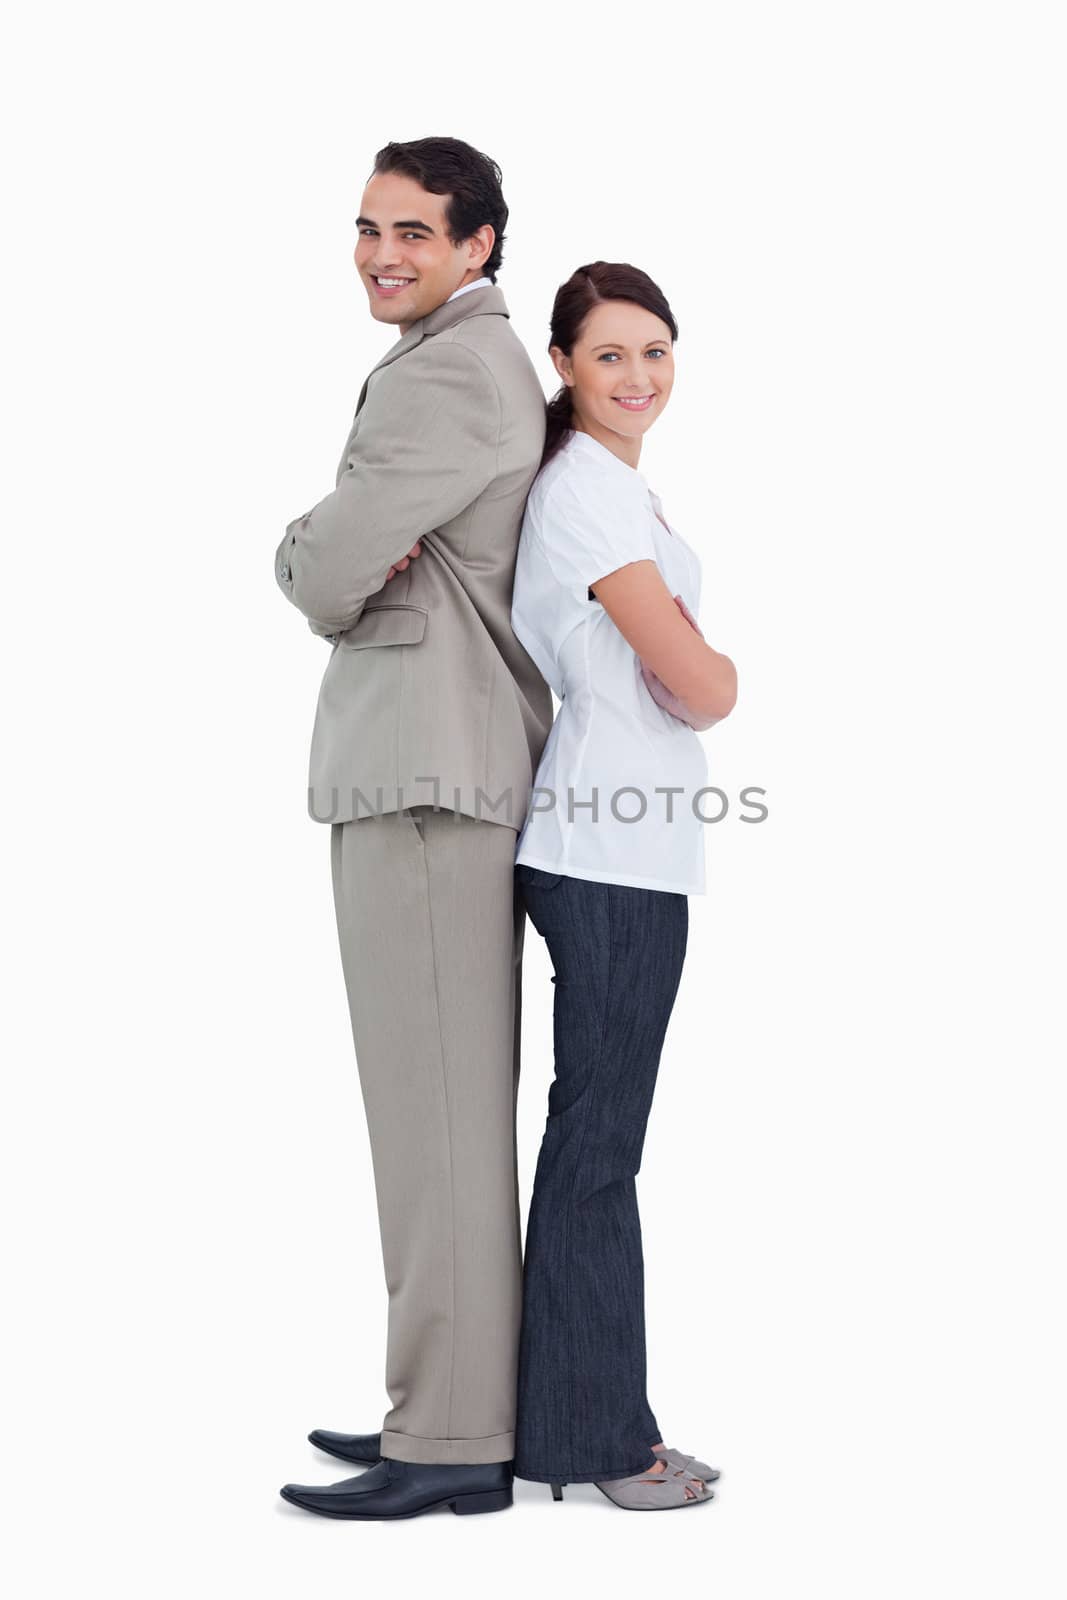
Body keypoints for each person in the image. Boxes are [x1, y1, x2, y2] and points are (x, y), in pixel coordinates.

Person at [274, 137, 552, 1520]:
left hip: (428, 780)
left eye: (417, 233)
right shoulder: (450, 361)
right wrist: (342, 544)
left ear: (479, 246)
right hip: (417, 772)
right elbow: (358, 547)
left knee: (437, 1124)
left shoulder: (451, 370)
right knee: (423, 1121)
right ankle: (430, 1408)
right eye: (369, 226)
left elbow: (327, 563)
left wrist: (303, 550)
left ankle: (448, 1441)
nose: (384, 252)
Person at [508, 261, 738, 1509]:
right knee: (597, 1151)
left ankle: (592, 1421)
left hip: (625, 848)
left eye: (654, 351)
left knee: (597, 1146)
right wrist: (720, 673)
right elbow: (695, 687)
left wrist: (695, 665)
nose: (637, 376)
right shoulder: (588, 496)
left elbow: (674, 668)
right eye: (608, 355)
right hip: (604, 851)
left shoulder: (615, 491)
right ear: (561, 364)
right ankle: (598, 1444)